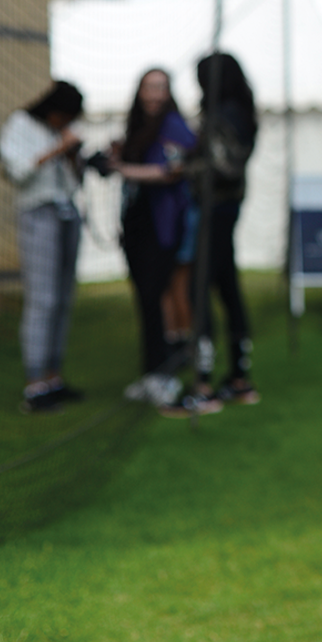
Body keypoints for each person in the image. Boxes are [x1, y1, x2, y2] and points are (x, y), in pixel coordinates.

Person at [109, 68, 214, 415]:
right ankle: (151, 372)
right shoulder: (137, 128)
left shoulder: (174, 127)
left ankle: (166, 373)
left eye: (160, 88)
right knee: (146, 300)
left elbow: (172, 170)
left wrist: (122, 169)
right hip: (138, 224)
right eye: (148, 88)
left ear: (169, 93)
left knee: (159, 296)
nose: (154, 95)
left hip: (164, 225)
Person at [0, 80, 87, 414]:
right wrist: (56, 149)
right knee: (43, 299)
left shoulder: (61, 131)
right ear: (53, 110)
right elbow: (17, 172)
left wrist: (74, 155)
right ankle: (35, 385)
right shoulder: (20, 125)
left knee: (64, 298)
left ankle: (54, 377)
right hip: (38, 215)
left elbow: (73, 180)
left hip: (67, 212)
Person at [188, 52, 260, 408]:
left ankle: (203, 383)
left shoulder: (221, 116)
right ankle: (239, 375)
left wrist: (185, 166)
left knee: (200, 288)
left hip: (215, 207)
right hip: (228, 206)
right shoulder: (243, 111)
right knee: (228, 285)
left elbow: (223, 166)